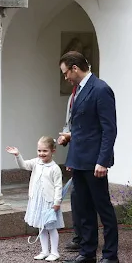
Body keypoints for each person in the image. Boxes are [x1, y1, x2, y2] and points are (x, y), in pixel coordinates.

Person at [58, 51, 119, 263]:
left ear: (75, 68)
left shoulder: (101, 89)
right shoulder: (79, 90)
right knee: (82, 209)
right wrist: (69, 147)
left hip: (95, 161)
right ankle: (88, 252)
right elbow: (82, 128)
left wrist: (103, 161)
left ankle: (111, 256)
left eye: (66, 73)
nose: (66, 78)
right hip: (79, 158)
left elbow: (108, 129)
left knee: (102, 208)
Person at [6, 137, 64, 261]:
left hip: (49, 201)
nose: (41, 154)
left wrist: (57, 201)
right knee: (41, 226)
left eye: (45, 151)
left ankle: (54, 252)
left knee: (51, 227)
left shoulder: (55, 168)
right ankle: (44, 251)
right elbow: (24, 165)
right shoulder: (36, 163)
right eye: (39, 150)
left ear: (53, 151)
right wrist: (17, 155)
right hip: (37, 200)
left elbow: (58, 186)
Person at [59, 83, 83, 252]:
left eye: (66, 72)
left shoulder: (93, 91)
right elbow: (70, 123)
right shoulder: (72, 96)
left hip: (90, 156)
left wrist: (71, 135)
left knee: (91, 200)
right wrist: (66, 138)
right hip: (76, 153)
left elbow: (90, 129)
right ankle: (79, 237)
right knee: (76, 197)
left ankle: (88, 238)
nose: (65, 77)